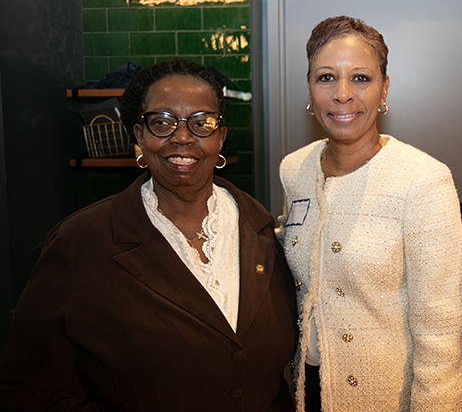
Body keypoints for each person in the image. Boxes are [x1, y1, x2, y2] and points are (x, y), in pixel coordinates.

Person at [0, 59, 298, 411]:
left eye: (202, 123)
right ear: (139, 136)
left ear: (220, 137)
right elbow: (26, 390)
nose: (182, 137)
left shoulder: (262, 230)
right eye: (162, 122)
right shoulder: (81, 242)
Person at [278, 16, 462, 411]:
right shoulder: (294, 170)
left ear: (384, 88)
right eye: (326, 78)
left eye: (360, 78)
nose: (342, 94)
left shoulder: (423, 181)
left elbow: (440, 336)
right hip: (304, 390)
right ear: (309, 88)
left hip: (383, 397)